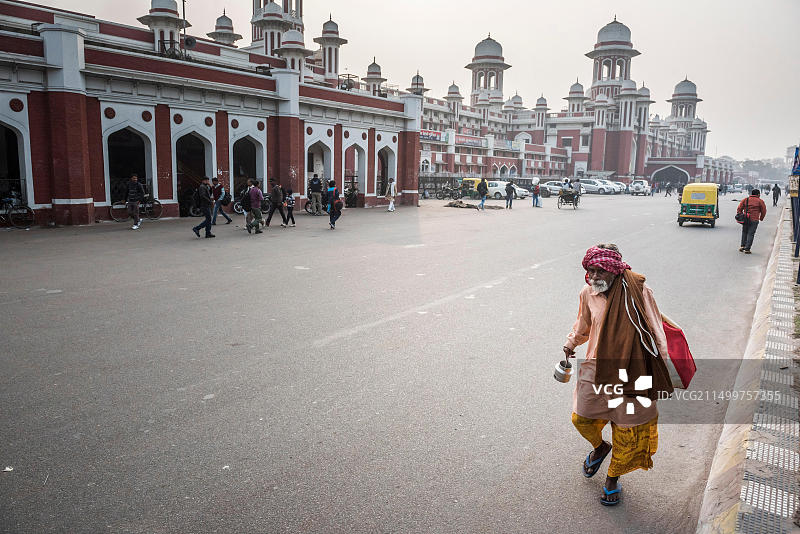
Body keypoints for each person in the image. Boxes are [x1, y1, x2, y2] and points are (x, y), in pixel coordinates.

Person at [563, 244, 673, 507]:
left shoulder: (639, 291)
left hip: (633, 370)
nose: (594, 276)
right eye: (590, 271)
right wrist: (570, 344)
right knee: (582, 418)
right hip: (597, 367)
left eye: (599, 271)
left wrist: (663, 366)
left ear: (613, 270)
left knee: (627, 431)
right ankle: (601, 447)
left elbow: (656, 328)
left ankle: (612, 478)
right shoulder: (588, 293)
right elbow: (583, 324)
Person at [737, 189, 767, 254]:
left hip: (745, 219)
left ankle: (742, 246)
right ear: (758, 194)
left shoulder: (746, 199)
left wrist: (741, 215)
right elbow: (763, 210)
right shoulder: (760, 201)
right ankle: (747, 249)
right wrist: (761, 218)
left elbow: (739, 208)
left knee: (744, 232)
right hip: (754, 219)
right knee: (751, 234)